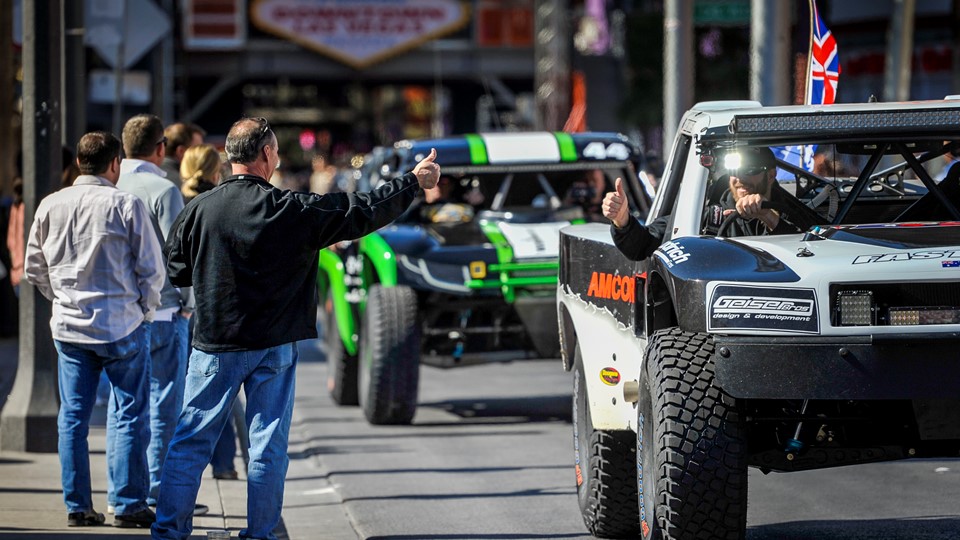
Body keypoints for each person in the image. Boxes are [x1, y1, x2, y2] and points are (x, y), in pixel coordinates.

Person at [152, 116, 440, 539]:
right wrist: (413, 181)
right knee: (267, 448)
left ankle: (168, 532)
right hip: (274, 344)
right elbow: (361, 211)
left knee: (190, 442)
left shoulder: (198, 209)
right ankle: (262, 534)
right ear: (266, 154)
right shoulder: (290, 210)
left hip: (215, 344)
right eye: (277, 150)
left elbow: (176, 270)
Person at [23, 131, 164, 528]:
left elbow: (34, 268)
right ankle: (128, 503)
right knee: (130, 416)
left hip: (70, 328)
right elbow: (152, 270)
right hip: (123, 324)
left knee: (72, 418)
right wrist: (145, 310)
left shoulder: (51, 204)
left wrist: (60, 297)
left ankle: (78, 506)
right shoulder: (126, 204)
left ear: (79, 163)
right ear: (114, 163)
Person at [112, 113, 202, 522]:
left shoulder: (112, 185)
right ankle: (154, 488)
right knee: (164, 404)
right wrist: (187, 302)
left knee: (123, 407)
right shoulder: (163, 189)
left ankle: (121, 491)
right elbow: (176, 255)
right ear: (161, 148)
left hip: (120, 314)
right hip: (164, 312)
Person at [604, 146, 821, 260]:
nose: (741, 180)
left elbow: (816, 254)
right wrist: (622, 221)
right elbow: (643, 245)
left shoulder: (793, 212)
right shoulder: (708, 215)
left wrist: (769, 217)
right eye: (735, 172)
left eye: (751, 171)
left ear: (771, 175)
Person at [178, 143, 241, 480]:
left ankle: (177, 495)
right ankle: (224, 463)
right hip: (210, 311)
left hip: (178, 311)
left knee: (192, 402)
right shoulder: (218, 203)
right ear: (217, 171)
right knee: (223, 398)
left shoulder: (183, 203)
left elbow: (175, 264)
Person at [161, 122, 205, 191]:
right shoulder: (187, 187)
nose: (203, 154)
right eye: (198, 149)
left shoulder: (147, 174)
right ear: (181, 151)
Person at [5, 177, 23, 296]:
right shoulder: (15, 208)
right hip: (18, 269)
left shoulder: (20, 208)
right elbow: (11, 240)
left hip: (22, 269)